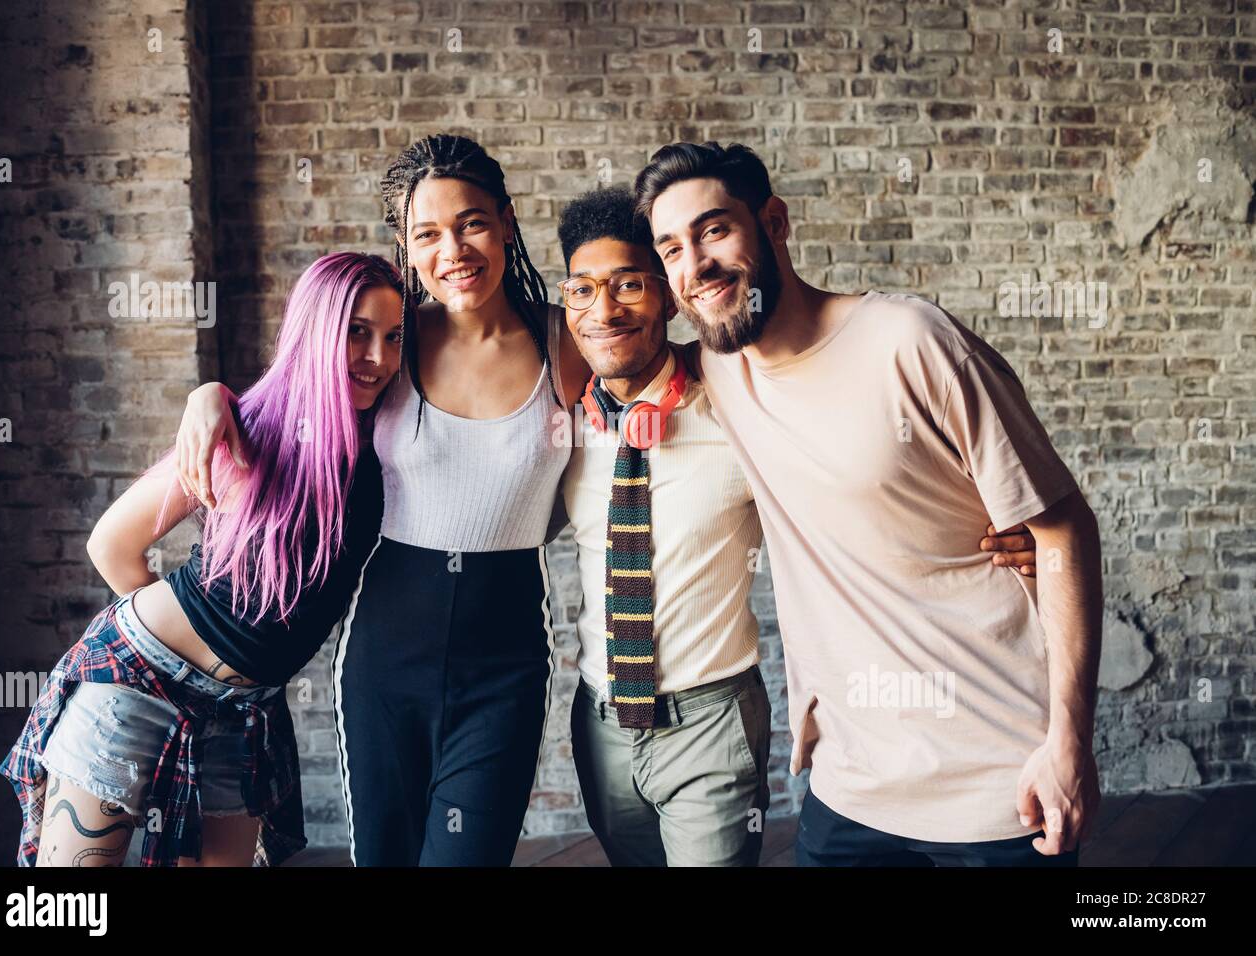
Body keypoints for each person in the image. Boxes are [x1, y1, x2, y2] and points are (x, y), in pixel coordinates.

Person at [636, 142, 1103, 866]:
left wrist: (1070, 743)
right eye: (671, 249)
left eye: (714, 230)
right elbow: (597, 344)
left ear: (774, 222)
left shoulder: (909, 341)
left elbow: (1064, 531)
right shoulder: (720, 373)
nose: (695, 264)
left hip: (998, 783)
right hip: (850, 786)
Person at [175, 134, 592, 866]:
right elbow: (291, 401)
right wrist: (211, 397)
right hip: (382, 661)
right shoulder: (389, 344)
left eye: (470, 223)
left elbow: (651, 377)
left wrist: (663, 398)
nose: (454, 249)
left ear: (506, 220)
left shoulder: (563, 339)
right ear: (405, 243)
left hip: (506, 663)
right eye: (426, 233)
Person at [0, 252, 404, 866]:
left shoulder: (393, 440)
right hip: (137, 680)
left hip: (246, 711)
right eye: (356, 331)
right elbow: (111, 543)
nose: (377, 357)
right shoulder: (247, 429)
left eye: (393, 337)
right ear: (316, 331)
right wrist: (176, 644)